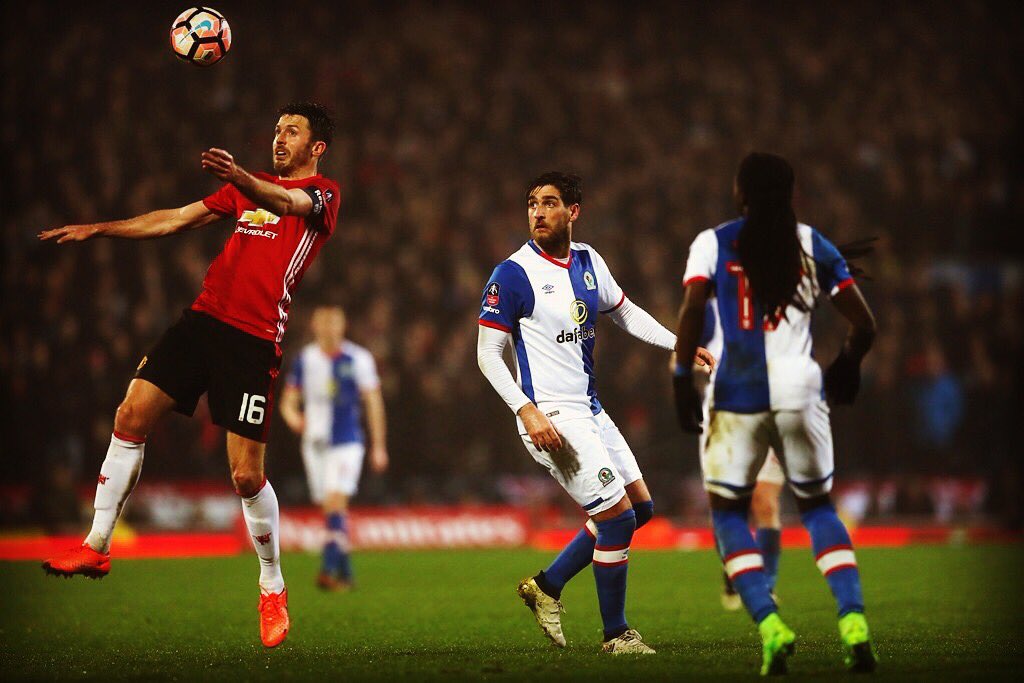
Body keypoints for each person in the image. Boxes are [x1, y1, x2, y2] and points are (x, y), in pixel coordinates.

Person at [38, 102, 341, 648]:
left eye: (292, 131)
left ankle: (272, 586)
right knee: (130, 414)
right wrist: (100, 229)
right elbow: (176, 218)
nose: (279, 138)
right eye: (276, 129)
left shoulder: (323, 195)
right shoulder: (246, 190)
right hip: (202, 321)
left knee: (245, 476)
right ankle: (97, 544)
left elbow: (285, 201)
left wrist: (240, 177)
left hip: (253, 341)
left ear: (316, 147)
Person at [477, 172, 713, 654]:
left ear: (574, 212)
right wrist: (526, 410)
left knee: (640, 509)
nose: (538, 212)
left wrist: (680, 344)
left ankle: (547, 586)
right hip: (551, 416)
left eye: (549, 203)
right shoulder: (513, 274)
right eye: (532, 204)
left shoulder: (588, 261)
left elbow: (624, 311)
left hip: (590, 409)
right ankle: (616, 635)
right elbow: (487, 354)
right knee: (618, 519)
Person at [672, 152, 878, 674]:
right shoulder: (812, 244)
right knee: (818, 509)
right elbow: (865, 324)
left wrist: (679, 380)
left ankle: (770, 625)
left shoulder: (712, 243)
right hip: (800, 390)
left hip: (735, 393)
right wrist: (847, 363)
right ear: (791, 195)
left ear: (739, 193)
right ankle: (853, 621)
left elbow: (692, 312)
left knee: (727, 514)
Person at [278, 304, 388, 591]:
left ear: (343, 326)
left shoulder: (359, 358)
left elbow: (373, 403)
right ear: (314, 326)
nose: (328, 328)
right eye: (323, 322)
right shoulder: (305, 359)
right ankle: (346, 575)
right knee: (331, 509)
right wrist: (293, 417)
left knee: (336, 500)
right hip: (314, 444)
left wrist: (378, 446)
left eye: (333, 322)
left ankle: (327, 570)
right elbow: (288, 401)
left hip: (347, 442)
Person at [697, 302, 784, 611]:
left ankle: (765, 587)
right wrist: (697, 364)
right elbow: (679, 356)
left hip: (770, 406)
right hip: (722, 413)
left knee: (765, 500)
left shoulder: (779, 301)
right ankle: (735, 570)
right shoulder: (709, 308)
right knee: (724, 503)